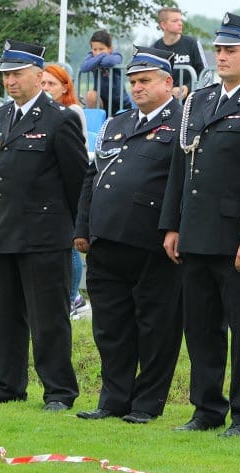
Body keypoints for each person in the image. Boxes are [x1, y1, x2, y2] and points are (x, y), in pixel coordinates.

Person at [159, 12, 240, 437]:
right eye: (218, 49)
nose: (221, 56)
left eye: (230, 50)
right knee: (201, 329)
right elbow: (181, 166)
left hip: (235, 239)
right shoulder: (200, 99)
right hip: (195, 235)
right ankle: (206, 409)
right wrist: (172, 225)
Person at [0, 40, 87, 411]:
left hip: (44, 235)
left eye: (17, 74)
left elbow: (77, 181)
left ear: (39, 74)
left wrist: (76, 229)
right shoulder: (2, 117)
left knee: (48, 319)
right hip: (5, 231)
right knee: (5, 317)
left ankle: (58, 391)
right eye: (5, 75)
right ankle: (6, 385)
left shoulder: (59, 119)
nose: (10, 81)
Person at [74, 47, 183, 424]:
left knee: (156, 327)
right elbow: (93, 176)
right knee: (111, 327)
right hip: (106, 239)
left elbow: (183, 183)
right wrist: (83, 227)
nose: (137, 87)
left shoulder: (183, 123)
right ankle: (113, 400)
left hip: (152, 241)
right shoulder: (116, 124)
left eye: (145, 81)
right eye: (133, 81)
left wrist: (176, 228)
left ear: (167, 83)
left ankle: (146, 404)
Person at [41, 63, 91, 318]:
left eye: (51, 84)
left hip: (66, 185)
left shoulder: (72, 111)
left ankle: (73, 296)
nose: (46, 88)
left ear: (64, 86)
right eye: (44, 83)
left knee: (71, 244)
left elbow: (76, 153)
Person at [152, 7, 208, 100]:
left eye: (180, 20)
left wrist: (188, 88)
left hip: (192, 102)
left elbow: (206, 74)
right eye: (175, 21)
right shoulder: (155, 48)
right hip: (164, 103)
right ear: (163, 25)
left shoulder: (192, 43)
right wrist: (168, 91)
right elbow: (151, 78)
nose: (180, 23)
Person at [80, 29, 132, 115]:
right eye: (94, 49)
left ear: (110, 48)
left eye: (101, 49)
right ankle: (96, 126)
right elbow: (84, 67)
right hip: (102, 101)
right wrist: (102, 55)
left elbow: (109, 62)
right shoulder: (91, 55)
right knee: (90, 95)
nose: (97, 52)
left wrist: (96, 60)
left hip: (120, 102)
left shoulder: (116, 55)